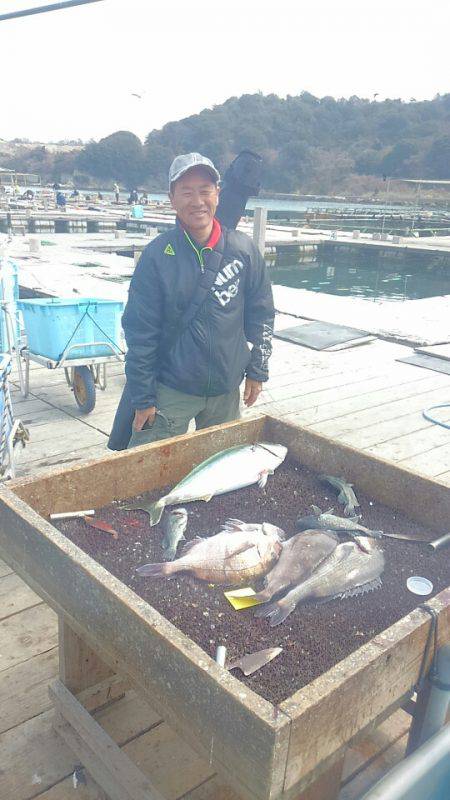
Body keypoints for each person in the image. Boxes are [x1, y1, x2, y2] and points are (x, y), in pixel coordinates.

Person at [121, 152, 274, 449]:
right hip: (171, 388)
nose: (197, 201)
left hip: (226, 390)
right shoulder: (156, 256)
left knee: (220, 472)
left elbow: (262, 313)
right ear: (172, 198)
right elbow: (140, 332)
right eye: (186, 192)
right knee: (149, 472)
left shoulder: (243, 250)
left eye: (205, 190)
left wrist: (258, 369)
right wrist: (143, 397)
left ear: (218, 193)